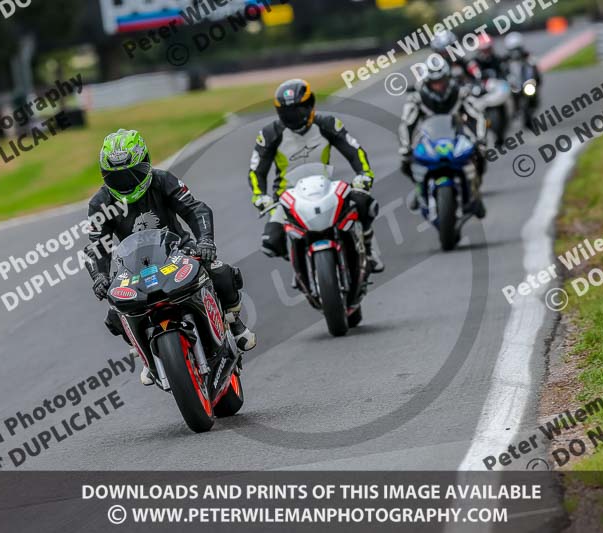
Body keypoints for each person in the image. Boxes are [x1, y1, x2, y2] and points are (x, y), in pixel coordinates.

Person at [84, 129, 256, 386]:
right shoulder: (100, 203)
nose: (127, 182)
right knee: (113, 313)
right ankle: (144, 354)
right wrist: (99, 276)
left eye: (132, 173)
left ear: (146, 164)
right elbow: (98, 245)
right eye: (116, 177)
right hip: (132, 266)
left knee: (221, 272)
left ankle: (232, 320)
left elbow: (196, 209)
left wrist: (205, 241)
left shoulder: (163, 180)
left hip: (178, 251)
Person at [248, 79, 384, 273]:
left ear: (310, 105)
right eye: (287, 112)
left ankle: (368, 248)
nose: (294, 117)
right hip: (287, 197)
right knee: (271, 241)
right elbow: (256, 170)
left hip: (326, 188)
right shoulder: (270, 134)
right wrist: (259, 196)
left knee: (364, 203)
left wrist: (364, 175)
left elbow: (354, 150)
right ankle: (299, 265)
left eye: (299, 110)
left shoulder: (327, 124)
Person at [398, 63, 487, 218]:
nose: (439, 86)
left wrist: (480, 138)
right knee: (405, 162)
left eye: (442, 81)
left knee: (480, 153)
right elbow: (406, 124)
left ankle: (475, 191)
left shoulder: (460, 93)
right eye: (434, 82)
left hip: (457, 135)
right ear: (427, 82)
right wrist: (405, 146)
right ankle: (419, 190)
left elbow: (477, 115)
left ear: (448, 79)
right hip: (428, 138)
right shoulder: (416, 98)